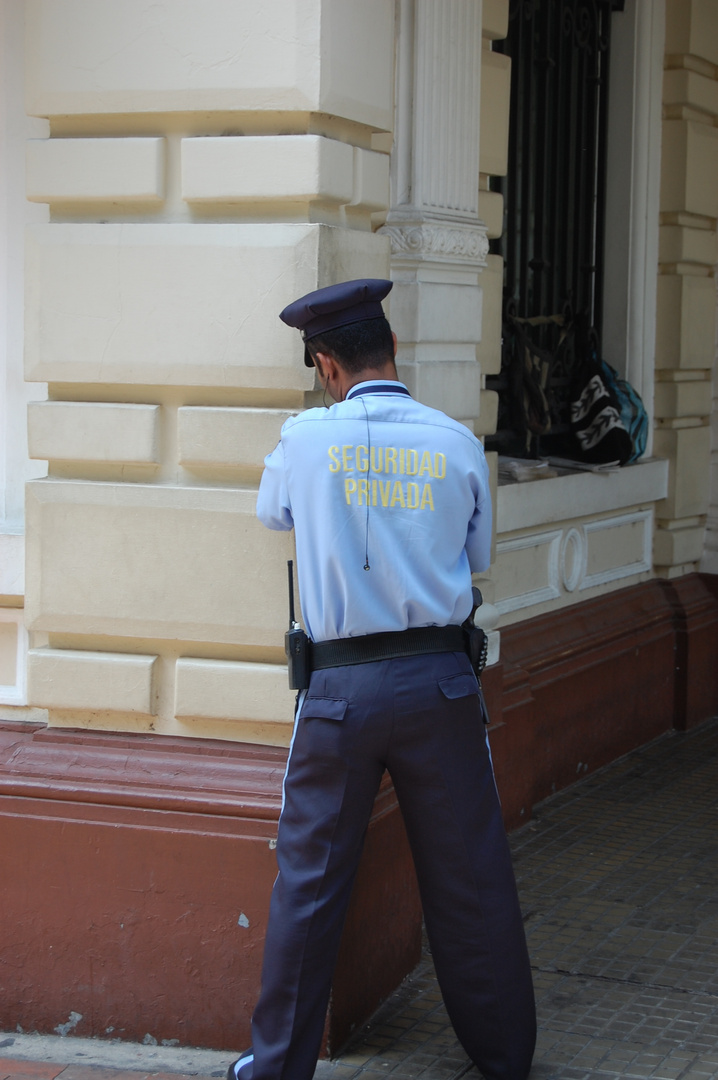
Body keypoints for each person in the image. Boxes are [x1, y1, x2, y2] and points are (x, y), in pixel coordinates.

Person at [229, 279, 536, 1080]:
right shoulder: (457, 442)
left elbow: (273, 515)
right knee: (470, 872)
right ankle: (505, 1056)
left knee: (310, 885)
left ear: (327, 366)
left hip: (337, 694)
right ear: (392, 353)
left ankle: (276, 1069)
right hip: (440, 684)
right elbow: (474, 561)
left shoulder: (302, 440)